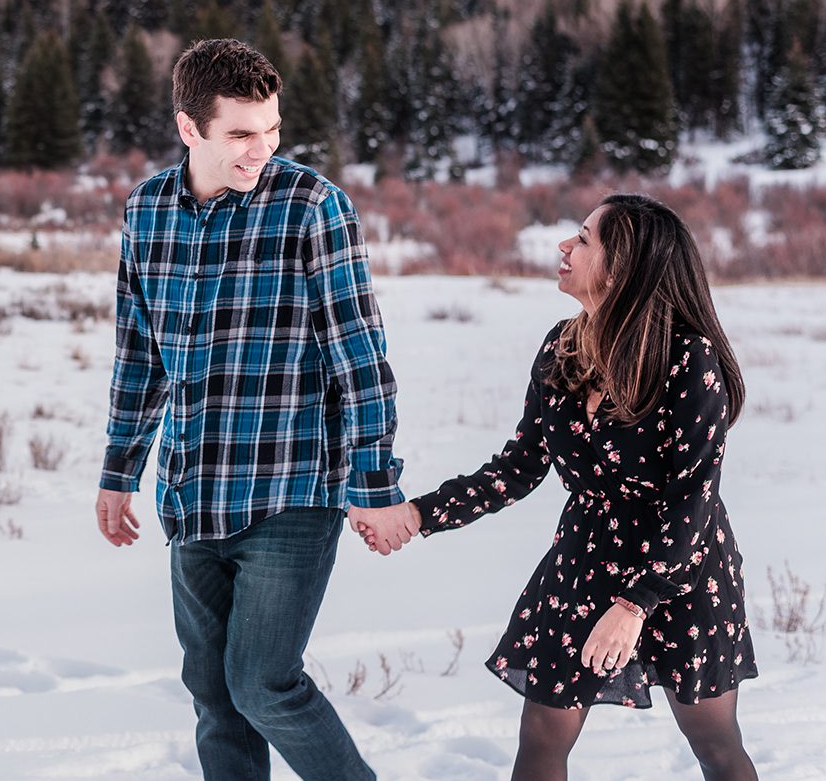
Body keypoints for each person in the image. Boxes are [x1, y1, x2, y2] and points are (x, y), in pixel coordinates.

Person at [359, 193, 759, 781]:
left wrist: (635, 603)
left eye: (584, 239)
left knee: (713, 740)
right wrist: (419, 513)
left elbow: (690, 499)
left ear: (621, 268)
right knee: (542, 736)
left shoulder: (687, 360)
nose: (563, 247)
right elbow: (519, 466)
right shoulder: (562, 346)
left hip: (680, 565)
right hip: (586, 559)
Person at [95, 38, 410, 780]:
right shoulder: (147, 213)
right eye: (240, 133)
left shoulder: (314, 208)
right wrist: (119, 469)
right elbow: (139, 354)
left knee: (264, 682)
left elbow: (360, 358)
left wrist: (374, 482)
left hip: (290, 492)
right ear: (188, 128)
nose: (260, 149)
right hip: (192, 492)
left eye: (271, 130)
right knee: (213, 694)